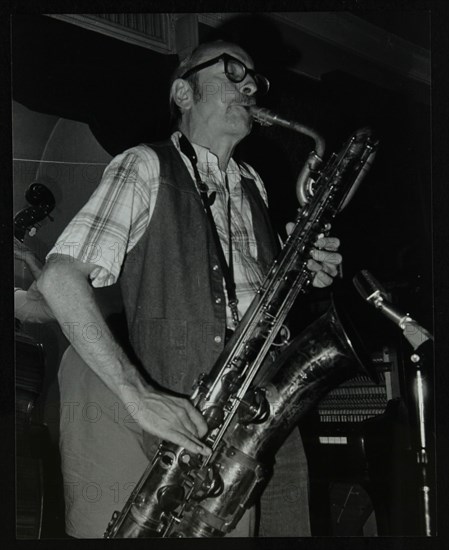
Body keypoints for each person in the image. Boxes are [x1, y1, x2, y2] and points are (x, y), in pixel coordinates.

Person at [37, 40, 342, 538]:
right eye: (233, 72)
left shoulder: (253, 184)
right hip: (189, 414)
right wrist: (138, 396)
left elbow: (250, 300)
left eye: (255, 80)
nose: (250, 86)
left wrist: (303, 269)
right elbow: (58, 280)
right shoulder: (144, 166)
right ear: (183, 91)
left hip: (260, 405)